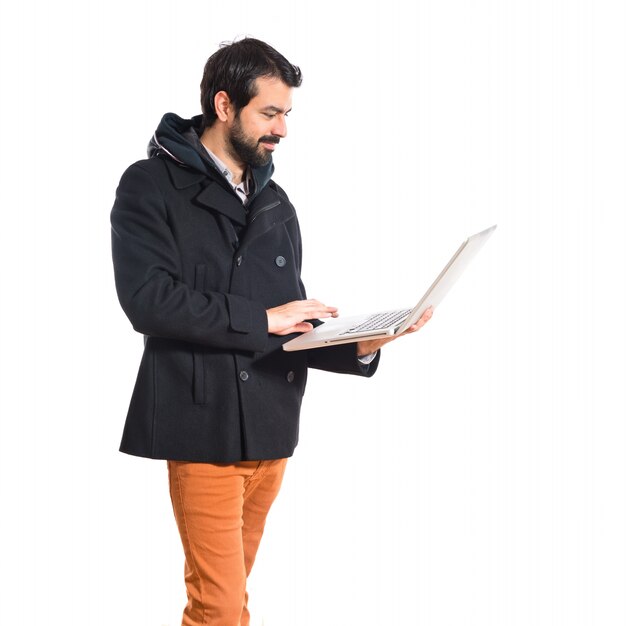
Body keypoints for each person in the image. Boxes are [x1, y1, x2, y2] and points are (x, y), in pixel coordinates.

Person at [110, 37, 432, 626]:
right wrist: (262, 318)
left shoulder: (276, 201)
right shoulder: (149, 185)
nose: (283, 129)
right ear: (225, 105)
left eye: (288, 114)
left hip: (270, 431)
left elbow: (289, 327)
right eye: (270, 112)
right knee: (223, 609)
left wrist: (360, 345)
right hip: (201, 431)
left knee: (221, 605)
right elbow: (148, 302)